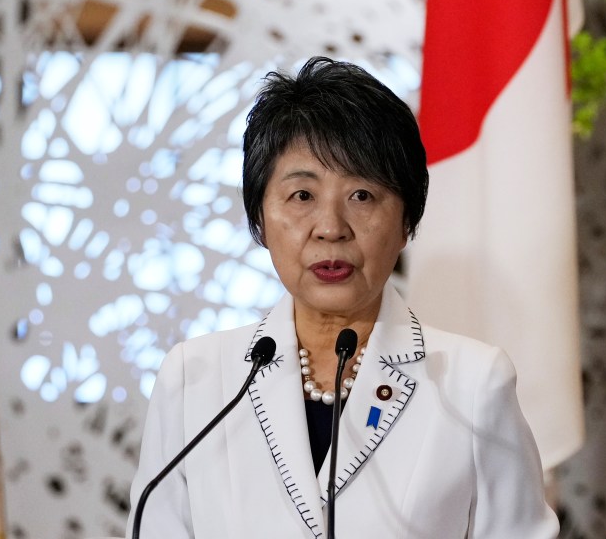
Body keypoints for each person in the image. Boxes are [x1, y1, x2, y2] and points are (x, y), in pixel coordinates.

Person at [127, 57, 559, 538]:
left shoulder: (473, 385)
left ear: (406, 223)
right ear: (260, 220)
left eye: (362, 196)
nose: (331, 229)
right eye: (302, 196)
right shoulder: (194, 380)